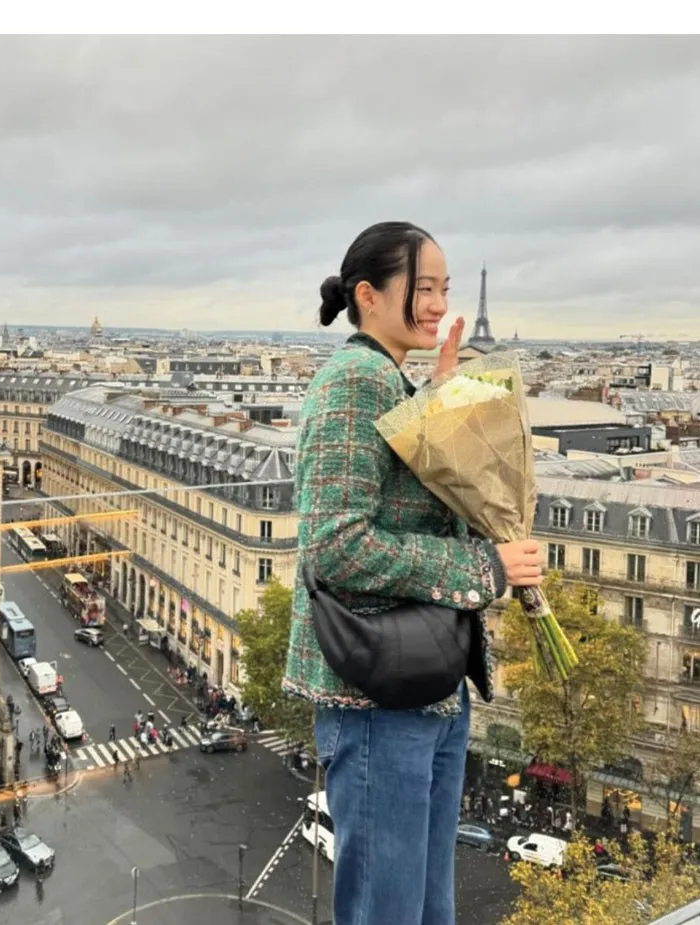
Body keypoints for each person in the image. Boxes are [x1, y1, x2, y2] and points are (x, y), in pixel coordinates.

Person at [281, 222, 543, 925]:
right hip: (377, 693)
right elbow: (336, 546)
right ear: (369, 295)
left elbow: (402, 509)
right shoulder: (354, 381)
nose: (438, 304)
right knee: (397, 908)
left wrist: (440, 403)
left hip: (422, 683)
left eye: (445, 289)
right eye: (423, 288)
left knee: (419, 906)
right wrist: (485, 565)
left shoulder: (391, 381)